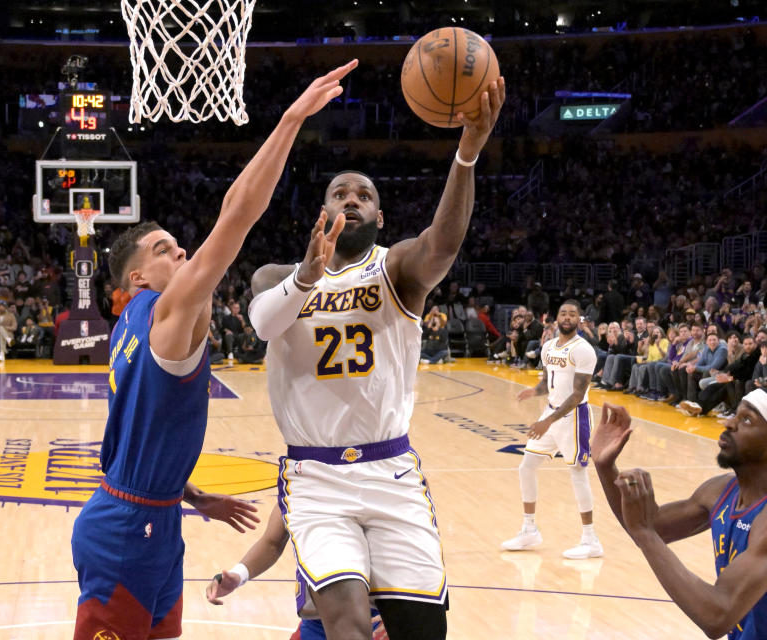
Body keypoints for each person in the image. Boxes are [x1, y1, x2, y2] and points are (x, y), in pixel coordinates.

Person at [70, 60, 359, 640]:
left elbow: (122, 448)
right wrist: (292, 118)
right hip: (128, 532)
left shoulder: (133, 324)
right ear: (139, 281)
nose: (181, 253)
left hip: (153, 517)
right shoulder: (166, 313)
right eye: (164, 250)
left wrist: (191, 494)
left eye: (180, 246)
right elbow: (237, 213)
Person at [248, 76, 504, 640]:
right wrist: (305, 278)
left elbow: (443, 243)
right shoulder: (275, 278)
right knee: (347, 626)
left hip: (391, 469)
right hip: (315, 472)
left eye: (363, 195)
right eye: (341, 194)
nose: (352, 201)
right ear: (321, 213)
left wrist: (467, 154)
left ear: (380, 218)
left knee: (423, 630)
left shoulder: (396, 268)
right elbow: (263, 323)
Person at [592, 396, 767, 639]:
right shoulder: (719, 491)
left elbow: (718, 616)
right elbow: (652, 527)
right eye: (734, 414)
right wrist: (605, 466)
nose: (729, 423)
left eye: (746, 419)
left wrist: (645, 533)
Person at [501, 300, 602, 559]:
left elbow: (577, 394)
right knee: (526, 467)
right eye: (563, 313)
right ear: (556, 318)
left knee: (578, 473)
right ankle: (529, 529)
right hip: (551, 411)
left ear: (579, 320)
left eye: (572, 314)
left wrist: (548, 421)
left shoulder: (584, 350)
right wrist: (534, 391)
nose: (567, 317)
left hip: (573, 416)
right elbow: (549, 383)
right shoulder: (547, 347)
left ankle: (591, 540)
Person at [205, 506, 388, 640]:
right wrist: (239, 575)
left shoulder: (382, 482)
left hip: (377, 619)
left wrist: (408, 618)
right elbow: (272, 542)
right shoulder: (298, 480)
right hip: (316, 622)